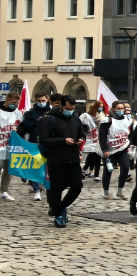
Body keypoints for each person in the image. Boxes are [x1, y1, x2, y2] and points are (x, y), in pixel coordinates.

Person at [36, 94, 86, 227]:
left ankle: (60, 208)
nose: (70, 111)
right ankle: (59, 214)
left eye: (73, 108)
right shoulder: (48, 119)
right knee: (55, 189)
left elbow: (81, 132)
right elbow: (44, 139)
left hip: (73, 158)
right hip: (56, 159)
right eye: (68, 108)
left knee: (77, 186)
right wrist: (63, 141)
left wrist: (80, 138)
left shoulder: (75, 119)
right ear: (62, 106)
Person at [17, 91, 51, 201]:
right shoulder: (30, 113)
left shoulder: (51, 111)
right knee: (36, 166)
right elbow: (25, 126)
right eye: (39, 101)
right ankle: (36, 190)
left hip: (49, 142)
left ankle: (42, 185)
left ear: (47, 99)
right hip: (34, 142)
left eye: (43, 101)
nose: (41, 103)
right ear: (35, 101)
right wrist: (38, 122)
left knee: (46, 167)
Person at [98, 101, 134, 200]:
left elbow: (130, 132)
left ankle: (120, 191)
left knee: (126, 168)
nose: (120, 110)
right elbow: (102, 136)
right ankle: (106, 192)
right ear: (113, 108)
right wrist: (104, 150)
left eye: (122, 108)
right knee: (108, 170)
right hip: (110, 151)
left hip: (122, 149)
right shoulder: (107, 120)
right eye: (118, 108)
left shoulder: (127, 119)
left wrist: (129, 143)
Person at [0, 90, 22, 200]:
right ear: (7, 100)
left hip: (11, 145)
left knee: (9, 169)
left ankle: (4, 190)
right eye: (13, 103)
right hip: (0, 144)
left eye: (17, 103)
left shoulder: (18, 113)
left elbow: (21, 127)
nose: (15, 105)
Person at [79, 101, 104, 181]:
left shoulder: (102, 116)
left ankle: (94, 173)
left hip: (98, 138)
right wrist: (85, 131)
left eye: (102, 107)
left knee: (97, 155)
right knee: (94, 155)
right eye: (99, 106)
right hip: (89, 139)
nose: (100, 108)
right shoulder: (85, 116)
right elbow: (80, 125)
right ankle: (87, 170)